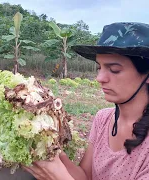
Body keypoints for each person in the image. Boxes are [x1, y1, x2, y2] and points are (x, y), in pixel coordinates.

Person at [23, 22, 149, 180]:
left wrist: (58, 177)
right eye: (99, 68)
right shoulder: (103, 119)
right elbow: (85, 176)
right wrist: (54, 151)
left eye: (114, 69)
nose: (100, 78)